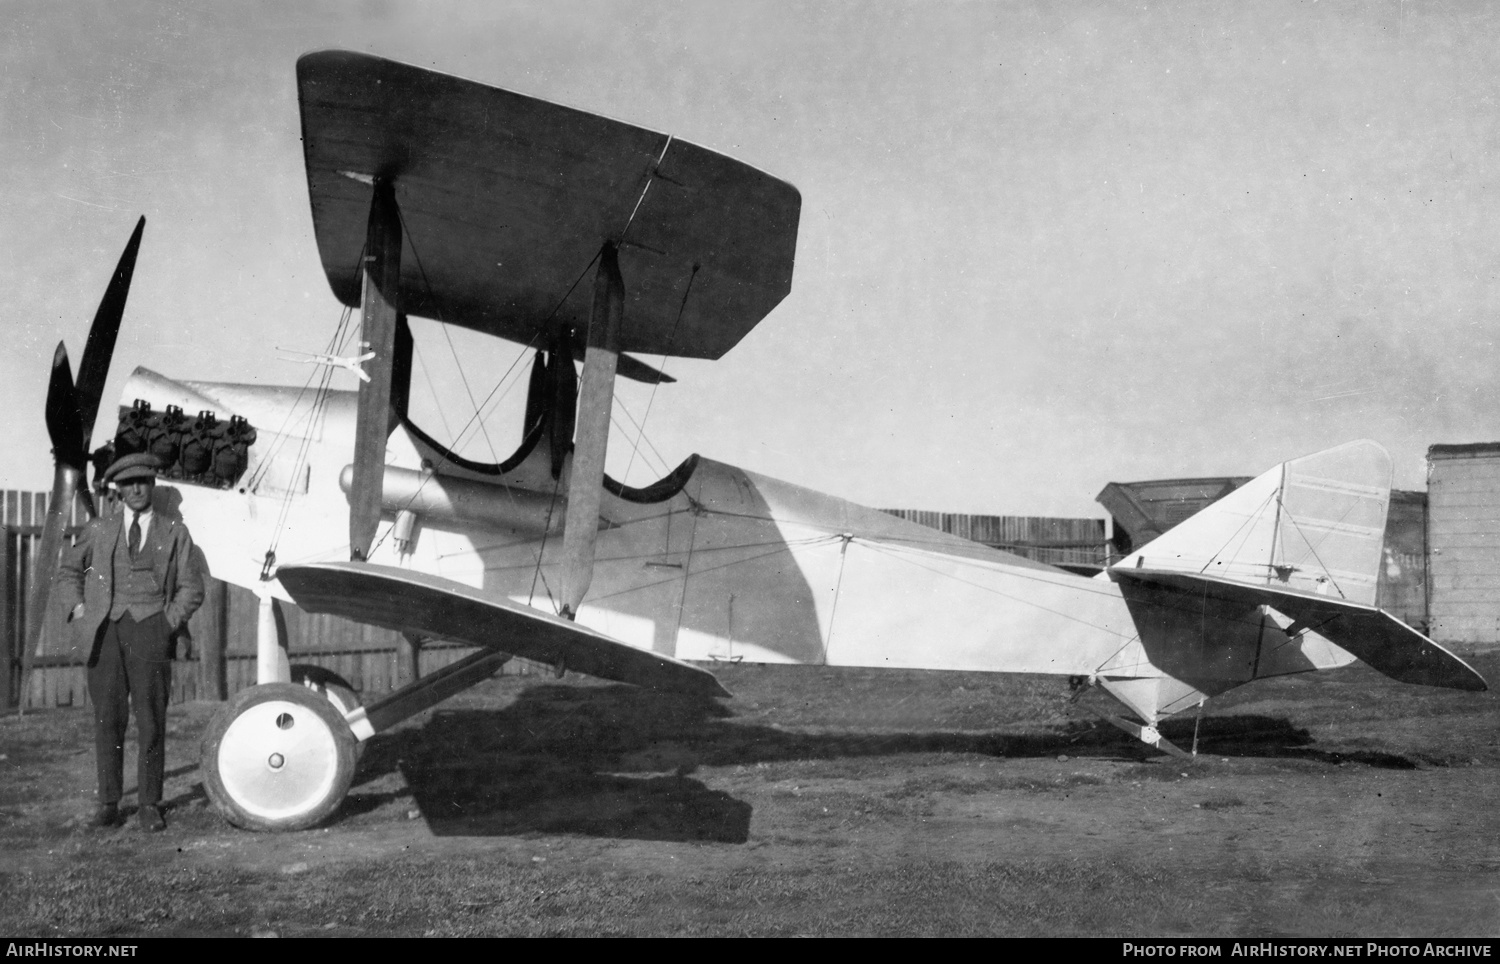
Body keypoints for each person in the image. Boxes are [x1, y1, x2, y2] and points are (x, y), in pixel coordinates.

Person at [57, 453, 204, 832]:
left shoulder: (175, 531)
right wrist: (78, 609)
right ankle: (109, 803)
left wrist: (167, 623)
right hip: (105, 632)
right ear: (118, 489)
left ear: (153, 484)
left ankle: (149, 804)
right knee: (108, 718)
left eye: (143, 481)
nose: (136, 489)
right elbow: (69, 571)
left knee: (151, 719)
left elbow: (192, 586)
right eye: (128, 483)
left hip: (151, 630)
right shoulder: (99, 529)